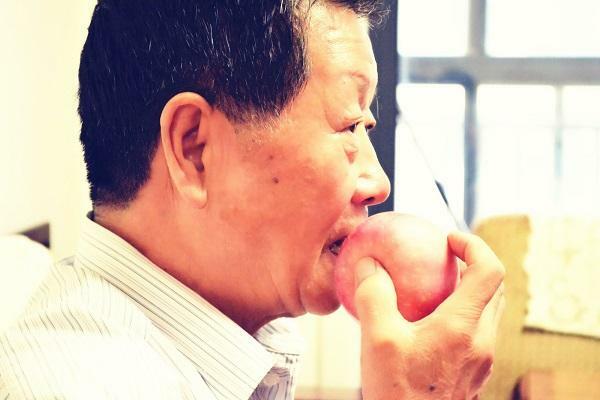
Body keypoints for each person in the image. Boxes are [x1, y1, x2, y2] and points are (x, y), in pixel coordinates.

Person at [0, 0, 505, 399]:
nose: (378, 183)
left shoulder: (234, 339)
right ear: (195, 149)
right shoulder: (78, 384)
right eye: (350, 125)